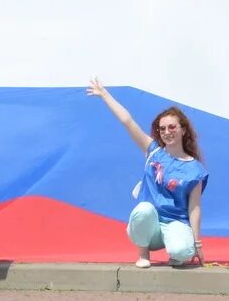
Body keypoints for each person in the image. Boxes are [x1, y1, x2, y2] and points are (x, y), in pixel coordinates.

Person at [87, 77, 206, 267]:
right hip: (149, 226)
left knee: (182, 253)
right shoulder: (153, 151)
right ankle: (143, 255)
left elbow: (194, 208)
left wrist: (197, 242)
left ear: (183, 130)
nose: (167, 132)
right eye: (162, 129)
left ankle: (177, 253)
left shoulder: (195, 170)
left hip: (175, 222)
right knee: (143, 210)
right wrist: (104, 94)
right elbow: (127, 121)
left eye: (172, 127)